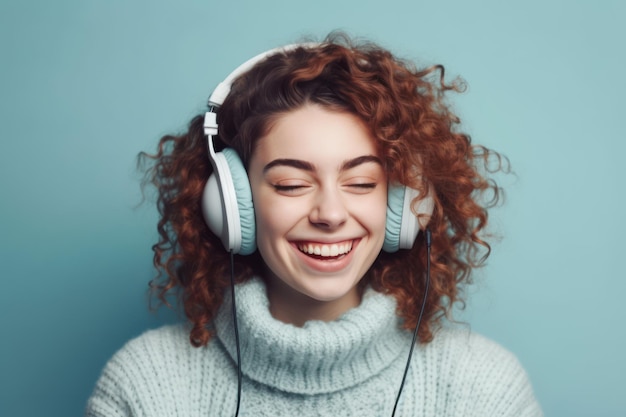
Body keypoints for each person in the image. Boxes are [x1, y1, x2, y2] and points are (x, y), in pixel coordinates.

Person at [85, 34, 542, 416]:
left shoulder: (484, 390)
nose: (330, 213)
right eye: (290, 184)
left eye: (362, 182)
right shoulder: (145, 389)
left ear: (407, 203)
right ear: (229, 205)